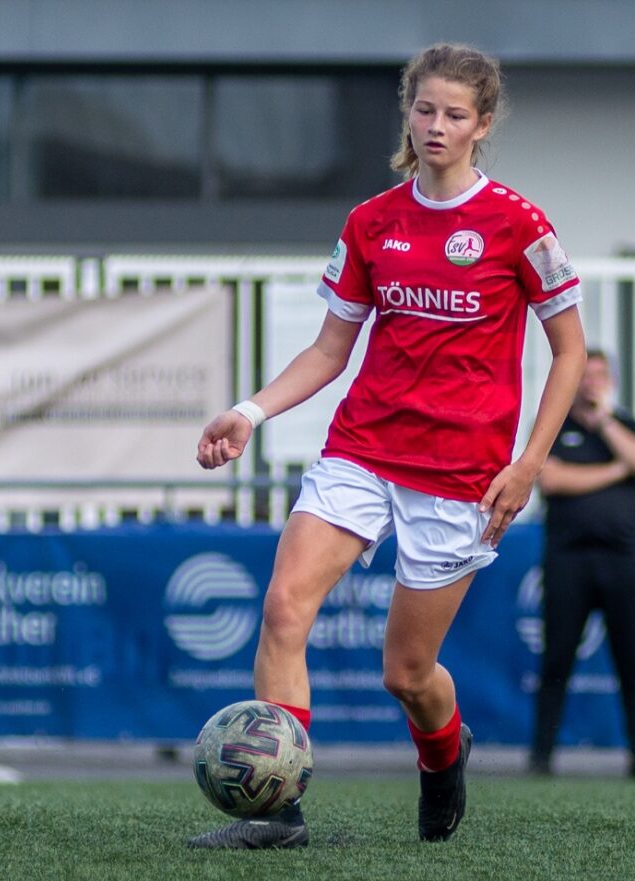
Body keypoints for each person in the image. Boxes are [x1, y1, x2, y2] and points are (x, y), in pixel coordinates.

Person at [189, 43, 587, 849]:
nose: (435, 125)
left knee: (406, 673)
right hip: (362, 450)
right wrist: (249, 411)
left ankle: (444, 755)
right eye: (424, 108)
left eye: (454, 114)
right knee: (284, 605)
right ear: (408, 111)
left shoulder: (519, 224)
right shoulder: (372, 222)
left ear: (482, 125)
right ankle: (276, 812)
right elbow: (329, 350)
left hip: (462, 474)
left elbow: (570, 351)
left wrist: (528, 464)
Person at [529, 349, 635, 778]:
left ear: (611, 381)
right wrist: (617, 471)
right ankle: (542, 756)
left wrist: (606, 423)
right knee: (557, 659)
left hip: (621, 560)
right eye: (585, 375)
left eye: (600, 375)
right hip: (568, 560)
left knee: (631, 659)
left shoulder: (628, 426)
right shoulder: (555, 426)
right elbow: (552, 479)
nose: (591, 383)